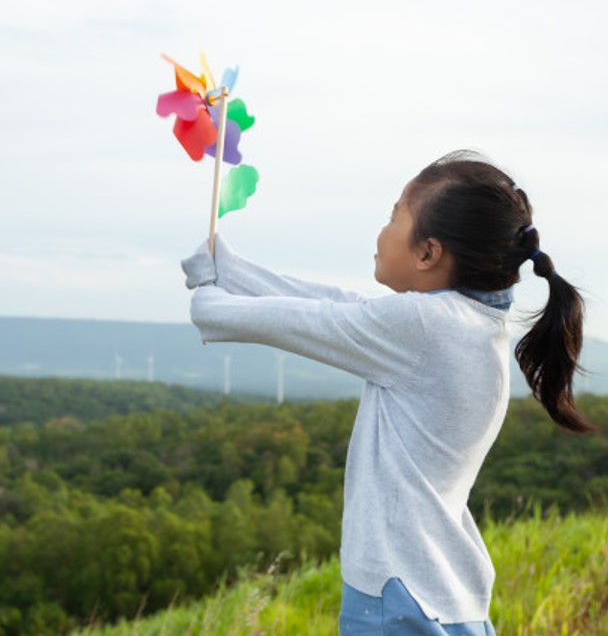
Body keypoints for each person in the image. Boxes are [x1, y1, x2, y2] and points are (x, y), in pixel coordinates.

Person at [180, 151, 594, 635]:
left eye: (394, 215)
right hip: (443, 596)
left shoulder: (424, 326)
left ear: (428, 253)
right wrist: (229, 270)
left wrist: (211, 297)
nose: (382, 230)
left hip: (397, 600)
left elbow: (299, 321)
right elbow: (341, 307)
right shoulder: (469, 324)